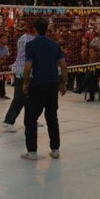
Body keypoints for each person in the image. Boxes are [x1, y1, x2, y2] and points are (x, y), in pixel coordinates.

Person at [21, 18, 67, 160]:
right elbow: (63, 65)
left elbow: (28, 66)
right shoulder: (54, 45)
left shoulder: (31, 45)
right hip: (53, 84)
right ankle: (55, 149)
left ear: (34, 29)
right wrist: (63, 83)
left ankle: (32, 152)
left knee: (31, 118)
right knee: (52, 116)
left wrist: (25, 82)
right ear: (46, 29)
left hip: (38, 84)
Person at [3, 22, 36, 132]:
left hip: (27, 70)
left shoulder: (25, 37)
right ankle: (8, 121)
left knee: (30, 98)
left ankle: (30, 121)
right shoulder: (29, 39)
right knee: (20, 97)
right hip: (23, 70)